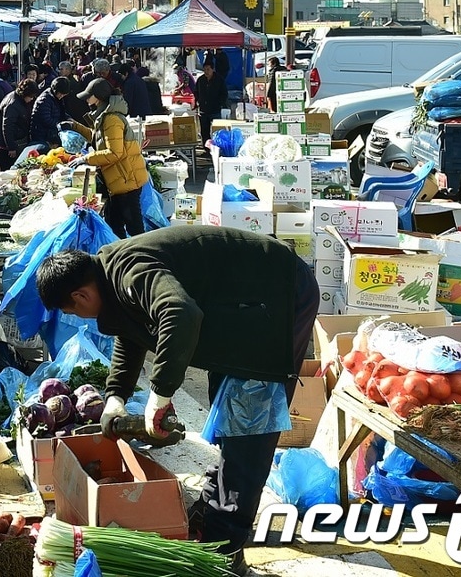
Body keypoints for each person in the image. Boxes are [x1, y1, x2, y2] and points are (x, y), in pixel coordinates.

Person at [35, 230, 319, 576]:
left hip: (277, 295)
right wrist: (115, 398)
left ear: (80, 295)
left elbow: (179, 311)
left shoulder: (131, 271)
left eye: (75, 311)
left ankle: (224, 551)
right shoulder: (110, 278)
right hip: (242, 308)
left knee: (249, 429)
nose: (83, 319)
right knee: (230, 414)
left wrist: (161, 393)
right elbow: (133, 331)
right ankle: (214, 505)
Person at [73, 79, 148, 239]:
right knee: (114, 225)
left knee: (135, 231)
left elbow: (115, 153)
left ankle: (142, 257)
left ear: (98, 97)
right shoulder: (104, 116)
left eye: (89, 96)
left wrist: (86, 159)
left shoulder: (111, 119)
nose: (86, 99)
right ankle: (120, 257)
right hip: (119, 181)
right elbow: (98, 139)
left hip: (126, 181)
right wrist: (75, 127)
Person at [0, 79, 38, 169]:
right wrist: (11, 147)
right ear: (25, 94)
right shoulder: (13, 104)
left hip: (9, 139)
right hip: (2, 142)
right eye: (31, 96)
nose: (32, 99)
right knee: (6, 170)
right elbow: (7, 126)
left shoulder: (19, 99)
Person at [29, 76, 75, 151]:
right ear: (55, 90)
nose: (62, 96)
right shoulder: (44, 99)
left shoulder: (56, 98)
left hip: (50, 133)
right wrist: (61, 125)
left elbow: (60, 111)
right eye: (61, 94)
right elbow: (46, 120)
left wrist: (68, 118)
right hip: (42, 135)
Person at [195, 61, 226, 145]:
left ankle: (217, 147)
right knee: (204, 131)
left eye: (208, 69)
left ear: (213, 69)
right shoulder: (200, 80)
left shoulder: (219, 80)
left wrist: (220, 103)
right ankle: (206, 149)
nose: (206, 72)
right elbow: (196, 92)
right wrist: (197, 102)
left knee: (216, 131)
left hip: (215, 110)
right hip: (203, 110)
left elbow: (224, 93)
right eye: (204, 69)